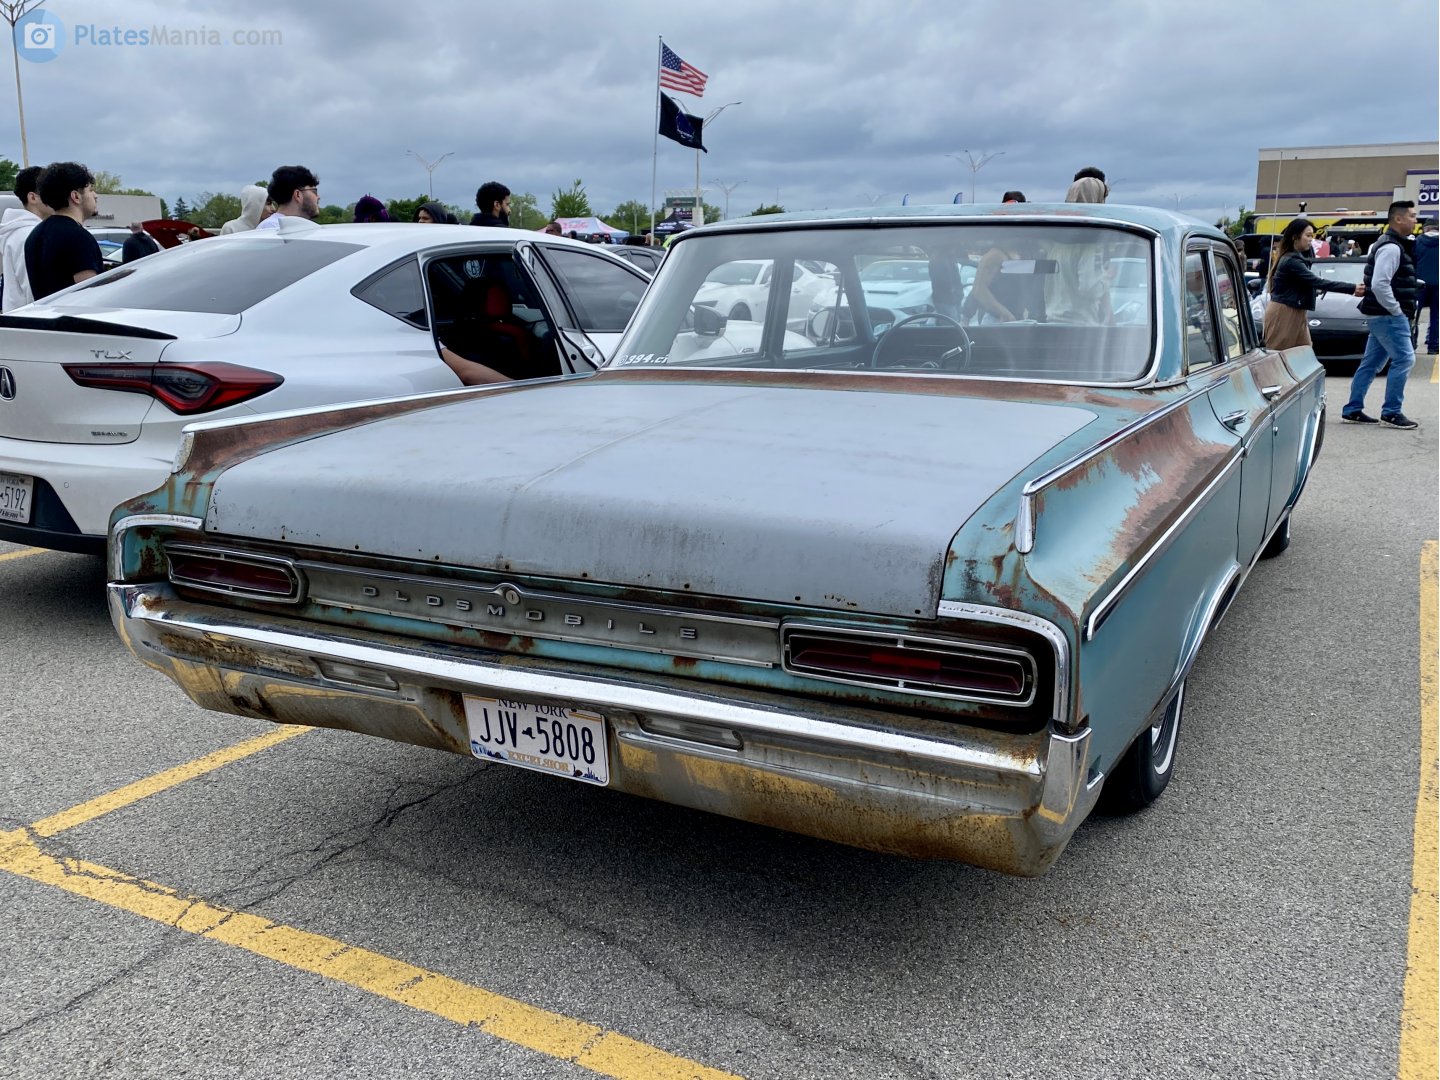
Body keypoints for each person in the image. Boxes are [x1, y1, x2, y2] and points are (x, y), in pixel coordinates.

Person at [1343, 200, 1420, 429]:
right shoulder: (1391, 247)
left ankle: (1353, 409)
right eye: (1412, 216)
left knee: (1371, 363)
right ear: (1398, 219)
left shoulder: (1389, 244)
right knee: (1405, 359)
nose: (1415, 220)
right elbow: (1379, 284)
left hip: (1381, 314)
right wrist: (1396, 310)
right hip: (1388, 315)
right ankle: (1392, 412)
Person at [1261, 218, 1363, 351]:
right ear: (1295, 237)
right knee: (1278, 355)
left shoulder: (1296, 258)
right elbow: (1317, 282)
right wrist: (1352, 288)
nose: (1311, 240)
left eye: (1312, 236)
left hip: (1297, 310)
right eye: (1308, 236)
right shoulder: (1292, 261)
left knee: (1305, 353)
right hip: (1285, 311)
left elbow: (1309, 282)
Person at [24, 162, 103, 301]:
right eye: (90, 190)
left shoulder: (34, 235)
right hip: (74, 320)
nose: (95, 195)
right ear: (76, 196)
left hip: (46, 318)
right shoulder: (78, 237)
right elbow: (91, 294)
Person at [0, 165, 50, 311]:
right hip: (30, 319)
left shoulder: (17, 231)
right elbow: (31, 288)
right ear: (32, 197)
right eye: (50, 191)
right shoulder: (28, 234)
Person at [254, 165, 320, 232]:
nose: (318, 197)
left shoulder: (299, 227)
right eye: (314, 191)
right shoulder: (272, 227)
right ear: (297, 195)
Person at [1415, 219, 1437, 354]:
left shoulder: (1417, 242)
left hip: (1419, 284)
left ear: (1426, 229)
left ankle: (1412, 344)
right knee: (1436, 317)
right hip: (1438, 285)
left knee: (1414, 316)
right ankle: (1433, 347)